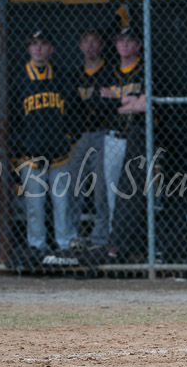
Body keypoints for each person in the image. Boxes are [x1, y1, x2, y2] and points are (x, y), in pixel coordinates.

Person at [9, 29, 78, 267]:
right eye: (34, 44)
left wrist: (67, 138)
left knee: (63, 206)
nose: (38, 49)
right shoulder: (18, 80)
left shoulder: (62, 77)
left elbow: (75, 113)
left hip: (59, 156)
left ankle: (66, 250)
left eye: (43, 44)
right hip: (30, 158)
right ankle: (36, 251)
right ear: (28, 48)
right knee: (34, 209)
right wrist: (18, 153)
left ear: (52, 49)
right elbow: (11, 120)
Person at [99, 26, 148, 263]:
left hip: (138, 141)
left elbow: (144, 105)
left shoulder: (144, 69)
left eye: (130, 40)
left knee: (135, 195)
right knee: (112, 194)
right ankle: (115, 244)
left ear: (138, 45)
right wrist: (129, 102)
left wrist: (117, 100)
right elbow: (102, 107)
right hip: (114, 138)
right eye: (121, 40)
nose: (125, 45)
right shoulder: (108, 72)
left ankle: (133, 245)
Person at [69, 28, 114, 262]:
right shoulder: (75, 75)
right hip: (80, 136)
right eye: (85, 42)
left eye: (94, 42)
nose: (90, 47)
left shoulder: (110, 72)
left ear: (102, 46)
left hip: (102, 134)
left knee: (100, 191)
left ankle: (99, 240)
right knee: (73, 187)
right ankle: (71, 237)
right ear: (79, 46)